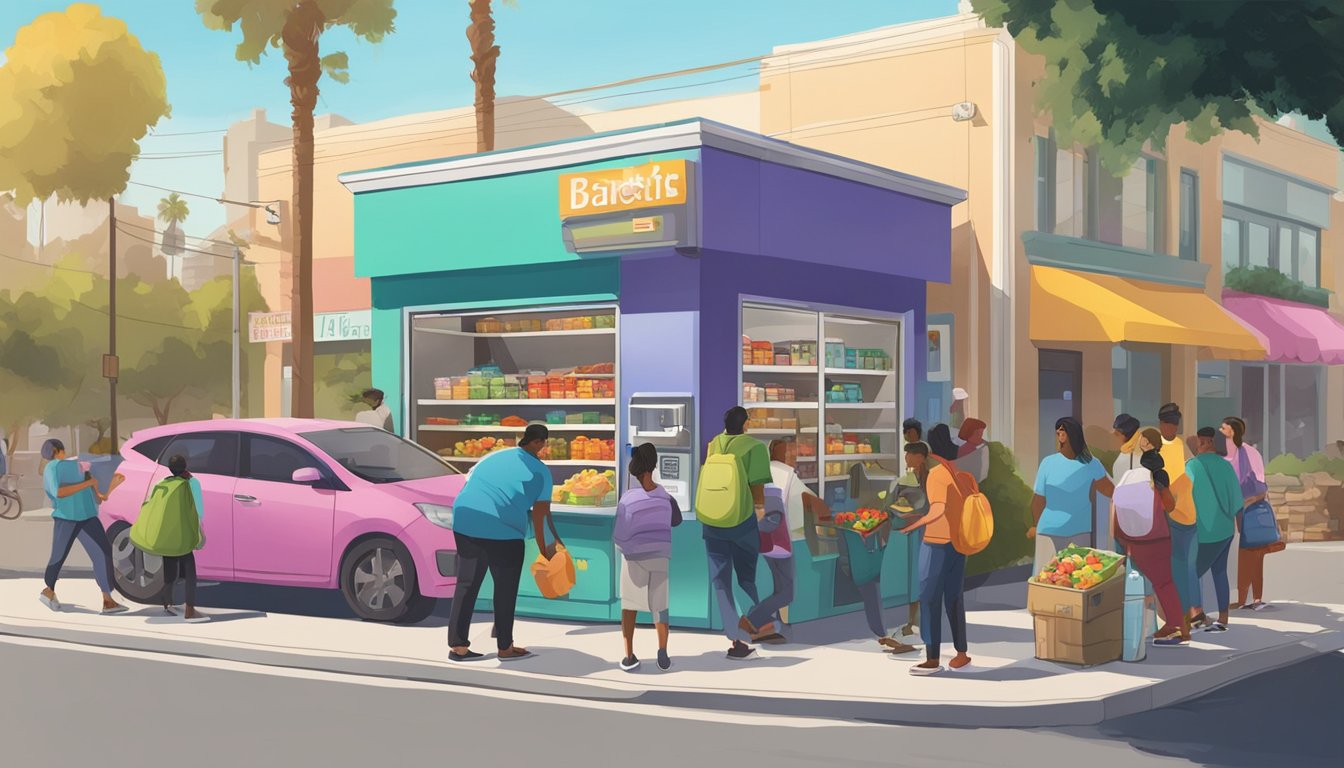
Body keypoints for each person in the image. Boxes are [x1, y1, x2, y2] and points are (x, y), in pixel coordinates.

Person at [448, 423, 556, 662]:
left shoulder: (493, 456)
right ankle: (505, 647)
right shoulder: (540, 471)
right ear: (539, 443)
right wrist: (548, 549)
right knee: (505, 588)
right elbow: (541, 516)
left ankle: (458, 646)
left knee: (466, 583)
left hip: (465, 519)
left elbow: (469, 484)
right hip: (503, 530)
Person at [899, 426, 970, 675]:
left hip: (937, 543)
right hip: (957, 543)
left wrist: (913, 525)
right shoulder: (956, 471)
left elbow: (938, 509)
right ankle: (961, 653)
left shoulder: (937, 474)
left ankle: (931, 659)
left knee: (928, 599)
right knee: (953, 599)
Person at [702, 406, 769, 661]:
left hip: (712, 520)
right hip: (741, 521)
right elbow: (758, 487)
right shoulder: (755, 447)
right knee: (746, 578)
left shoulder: (713, 445)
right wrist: (760, 511)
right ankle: (755, 628)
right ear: (746, 423)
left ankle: (736, 639)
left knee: (720, 581)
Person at [1111, 434, 1190, 646]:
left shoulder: (1128, 477)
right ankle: (1175, 627)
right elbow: (1170, 507)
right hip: (1158, 539)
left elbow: (1115, 508)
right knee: (1164, 583)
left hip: (1131, 540)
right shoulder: (1158, 483)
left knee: (1135, 585)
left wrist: (1120, 537)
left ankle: (1139, 629)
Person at [38, 439, 126, 615]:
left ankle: (107, 600)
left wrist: (111, 487)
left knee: (103, 553)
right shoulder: (53, 467)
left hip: (87, 517)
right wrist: (88, 483)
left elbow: (100, 498)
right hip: (67, 518)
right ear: (57, 450)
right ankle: (48, 590)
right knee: (59, 555)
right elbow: (59, 492)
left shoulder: (79, 468)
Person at [613, 443, 681, 672]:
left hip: (634, 558)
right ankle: (662, 650)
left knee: (630, 605)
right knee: (660, 606)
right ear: (654, 465)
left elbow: (619, 534)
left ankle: (629, 655)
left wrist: (626, 547)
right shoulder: (666, 497)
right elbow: (676, 520)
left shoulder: (628, 499)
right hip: (660, 557)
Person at [1029, 418, 1114, 573]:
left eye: (1062, 432)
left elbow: (1109, 490)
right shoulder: (1049, 463)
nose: (1059, 436)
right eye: (1058, 432)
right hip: (1051, 530)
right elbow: (1038, 500)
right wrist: (1035, 525)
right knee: (1047, 577)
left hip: (1077, 531)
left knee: (1076, 578)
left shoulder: (1091, 463)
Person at [1185, 427, 1243, 633]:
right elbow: (1238, 501)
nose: (1197, 445)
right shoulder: (1226, 467)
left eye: (1200, 442)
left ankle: (1195, 614)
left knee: (1189, 570)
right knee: (1220, 572)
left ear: (1208, 442)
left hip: (1203, 530)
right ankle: (1223, 617)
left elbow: (1184, 496)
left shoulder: (1192, 465)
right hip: (1226, 529)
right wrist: (1240, 530)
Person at [744, 440, 801, 646]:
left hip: (767, 546)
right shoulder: (776, 486)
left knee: (779, 589)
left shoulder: (754, 488)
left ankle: (772, 627)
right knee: (787, 593)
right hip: (782, 546)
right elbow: (774, 519)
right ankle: (751, 619)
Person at [1222, 417, 1275, 611]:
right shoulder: (1226, 456)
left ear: (1233, 431)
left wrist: (1247, 501)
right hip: (1234, 511)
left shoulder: (1250, 453)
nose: (1221, 431)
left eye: (1224, 428)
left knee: (1254, 554)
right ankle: (1245, 598)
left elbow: (1260, 486)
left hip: (1250, 509)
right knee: (1242, 555)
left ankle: (1256, 598)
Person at [1156, 403, 1200, 628]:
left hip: (1181, 511)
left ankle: (1185, 613)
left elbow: (1184, 475)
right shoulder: (1157, 446)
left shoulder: (1179, 445)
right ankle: (1176, 615)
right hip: (1165, 509)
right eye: (1170, 425)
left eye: (1175, 425)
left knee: (1182, 564)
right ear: (1162, 423)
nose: (1172, 429)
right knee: (1174, 564)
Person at [156, 454, 211, 623]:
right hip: (184, 535)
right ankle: (190, 610)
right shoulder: (192, 483)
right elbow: (199, 510)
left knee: (170, 570)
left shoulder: (163, 484)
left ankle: (167, 604)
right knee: (190, 573)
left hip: (167, 534)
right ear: (185, 465)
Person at [956, 417, 989, 483]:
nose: (980, 437)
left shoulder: (979, 447)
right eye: (977, 433)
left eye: (981, 433)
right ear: (969, 433)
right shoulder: (965, 450)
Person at [1111, 414, 1143, 479]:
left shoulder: (1139, 455)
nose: (1113, 436)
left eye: (1117, 434)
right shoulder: (1124, 452)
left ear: (1128, 436)